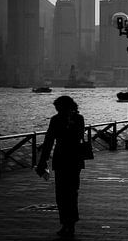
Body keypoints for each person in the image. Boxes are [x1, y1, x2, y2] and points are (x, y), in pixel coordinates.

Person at [36, 96, 85, 238]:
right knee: (71, 192)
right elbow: (79, 136)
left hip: (62, 158)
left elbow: (49, 140)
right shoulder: (79, 118)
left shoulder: (57, 120)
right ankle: (70, 223)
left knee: (62, 193)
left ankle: (66, 223)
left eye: (57, 107)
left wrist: (43, 160)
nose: (56, 110)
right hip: (75, 159)